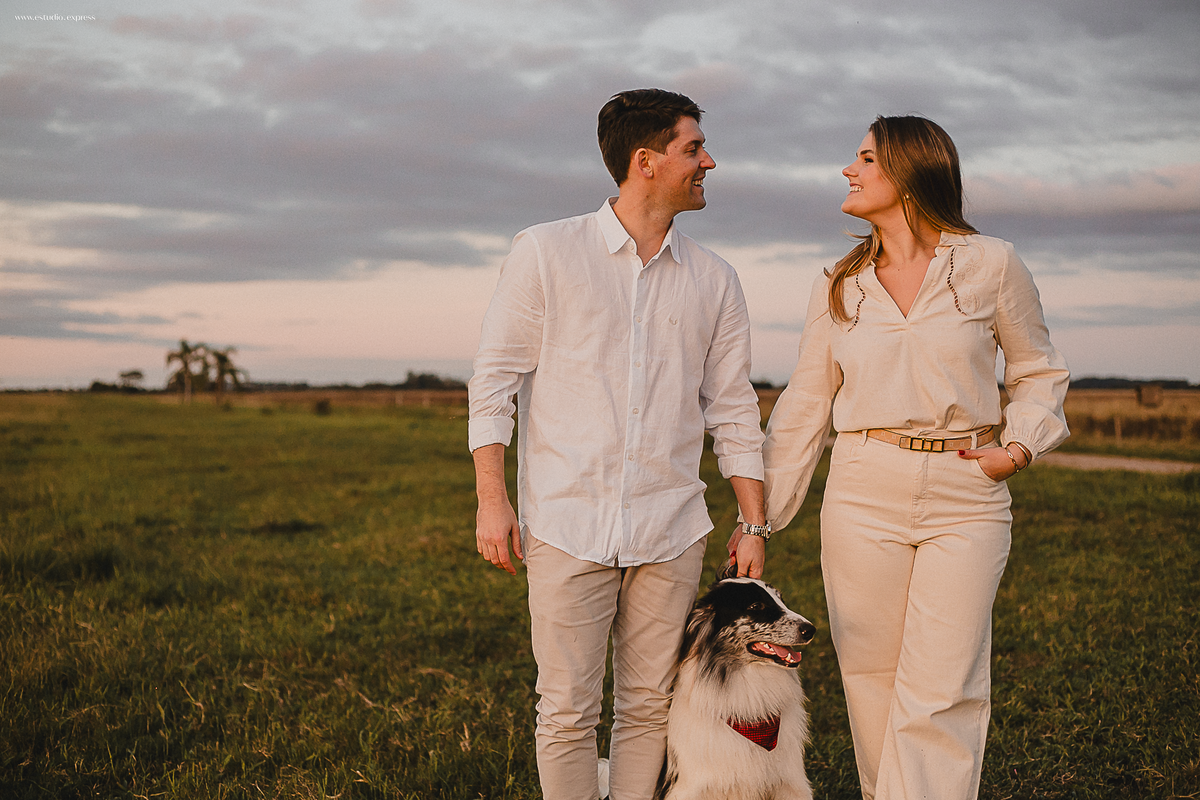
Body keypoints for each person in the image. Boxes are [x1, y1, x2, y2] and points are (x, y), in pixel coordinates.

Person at [468, 88, 769, 800]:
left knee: (647, 706)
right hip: (567, 522)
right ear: (646, 162)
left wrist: (752, 521)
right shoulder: (546, 251)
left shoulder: (715, 280)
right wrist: (492, 499)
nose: (709, 162)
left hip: (671, 528)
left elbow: (732, 407)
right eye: (694, 149)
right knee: (568, 709)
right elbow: (494, 381)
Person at [762, 116, 1069, 800]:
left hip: (967, 491)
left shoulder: (992, 263)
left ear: (908, 173)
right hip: (863, 487)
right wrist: (761, 522)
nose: (849, 170)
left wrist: (1016, 448)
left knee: (943, 685)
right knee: (871, 679)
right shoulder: (839, 282)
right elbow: (805, 407)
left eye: (866, 158)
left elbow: (1038, 370)